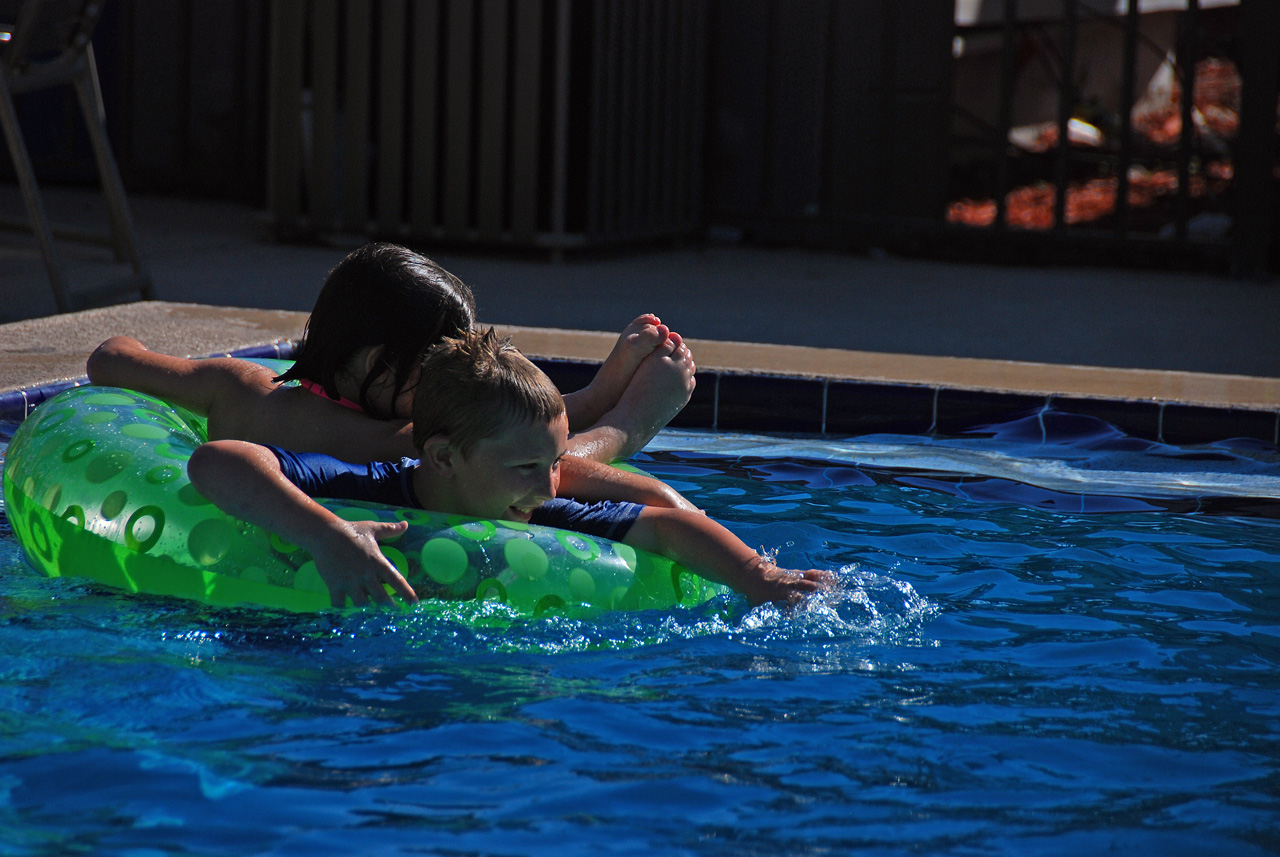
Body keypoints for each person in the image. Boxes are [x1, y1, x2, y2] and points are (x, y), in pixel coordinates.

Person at [87, 243, 699, 603]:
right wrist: (625, 419)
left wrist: (130, 348)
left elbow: (110, 359)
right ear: (370, 362)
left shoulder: (238, 387)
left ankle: (601, 396)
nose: (448, 382)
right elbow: (530, 458)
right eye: (434, 368)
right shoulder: (393, 441)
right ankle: (624, 416)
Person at [187, 329, 832, 608]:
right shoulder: (366, 488)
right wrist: (326, 535)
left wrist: (760, 576)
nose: (549, 484)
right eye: (526, 465)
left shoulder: (541, 510)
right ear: (442, 457)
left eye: (554, 463)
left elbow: (665, 527)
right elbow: (217, 460)